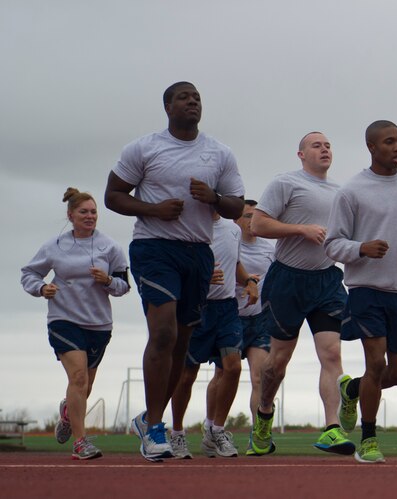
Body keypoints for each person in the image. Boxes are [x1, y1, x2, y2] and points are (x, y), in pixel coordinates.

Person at [104, 81, 245, 462]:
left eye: (197, 97)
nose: (192, 102)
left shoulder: (219, 153)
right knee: (163, 332)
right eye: (184, 97)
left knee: (183, 347)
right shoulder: (144, 147)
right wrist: (153, 210)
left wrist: (214, 198)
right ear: (167, 106)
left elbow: (236, 206)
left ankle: (149, 418)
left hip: (198, 253)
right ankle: (154, 430)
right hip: (154, 248)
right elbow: (113, 195)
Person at [325, 121, 397, 463]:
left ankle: (352, 389)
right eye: (389, 142)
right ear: (372, 147)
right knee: (375, 362)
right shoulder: (352, 191)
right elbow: (332, 245)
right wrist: (361, 249)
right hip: (365, 289)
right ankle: (368, 440)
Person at [247, 132, 355, 456]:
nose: (324, 149)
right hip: (287, 281)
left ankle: (332, 428)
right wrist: (301, 229)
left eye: (328, 145)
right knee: (278, 363)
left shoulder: (342, 193)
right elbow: (257, 226)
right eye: (316, 145)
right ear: (301, 154)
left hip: (327, 281)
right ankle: (264, 416)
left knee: (332, 354)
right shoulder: (286, 183)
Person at [21, 188, 130, 460]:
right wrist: (41, 288)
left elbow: (124, 286)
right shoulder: (54, 245)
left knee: (85, 385)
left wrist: (107, 281)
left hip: (99, 324)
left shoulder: (110, 247)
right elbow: (29, 273)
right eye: (84, 212)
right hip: (64, 319)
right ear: (71, 215)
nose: (90, 216)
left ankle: (69, 413)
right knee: (78, 377)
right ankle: (81, 442)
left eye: (93, 212)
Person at [168, 212, 258, 459]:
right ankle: (176, 433)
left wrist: (248, 280)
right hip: (196, 308)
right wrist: (202, 278)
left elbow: (235, 262)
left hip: (227, 309)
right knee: (187, 376)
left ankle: (216, 431)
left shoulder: (233, 229)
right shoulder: (187, 226)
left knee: (233, 367)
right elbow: (175, 268)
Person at [233, 200, 275, 427]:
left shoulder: (270, 248)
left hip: (260, 320)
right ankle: (213, 427)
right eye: (248, 216)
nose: (253, 221)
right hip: (231, 317)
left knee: (260, 378)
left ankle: (259, 431)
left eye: (257, 216)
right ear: (235, 220)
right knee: (225, 375)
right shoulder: (228, 244)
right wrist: (245, 281)